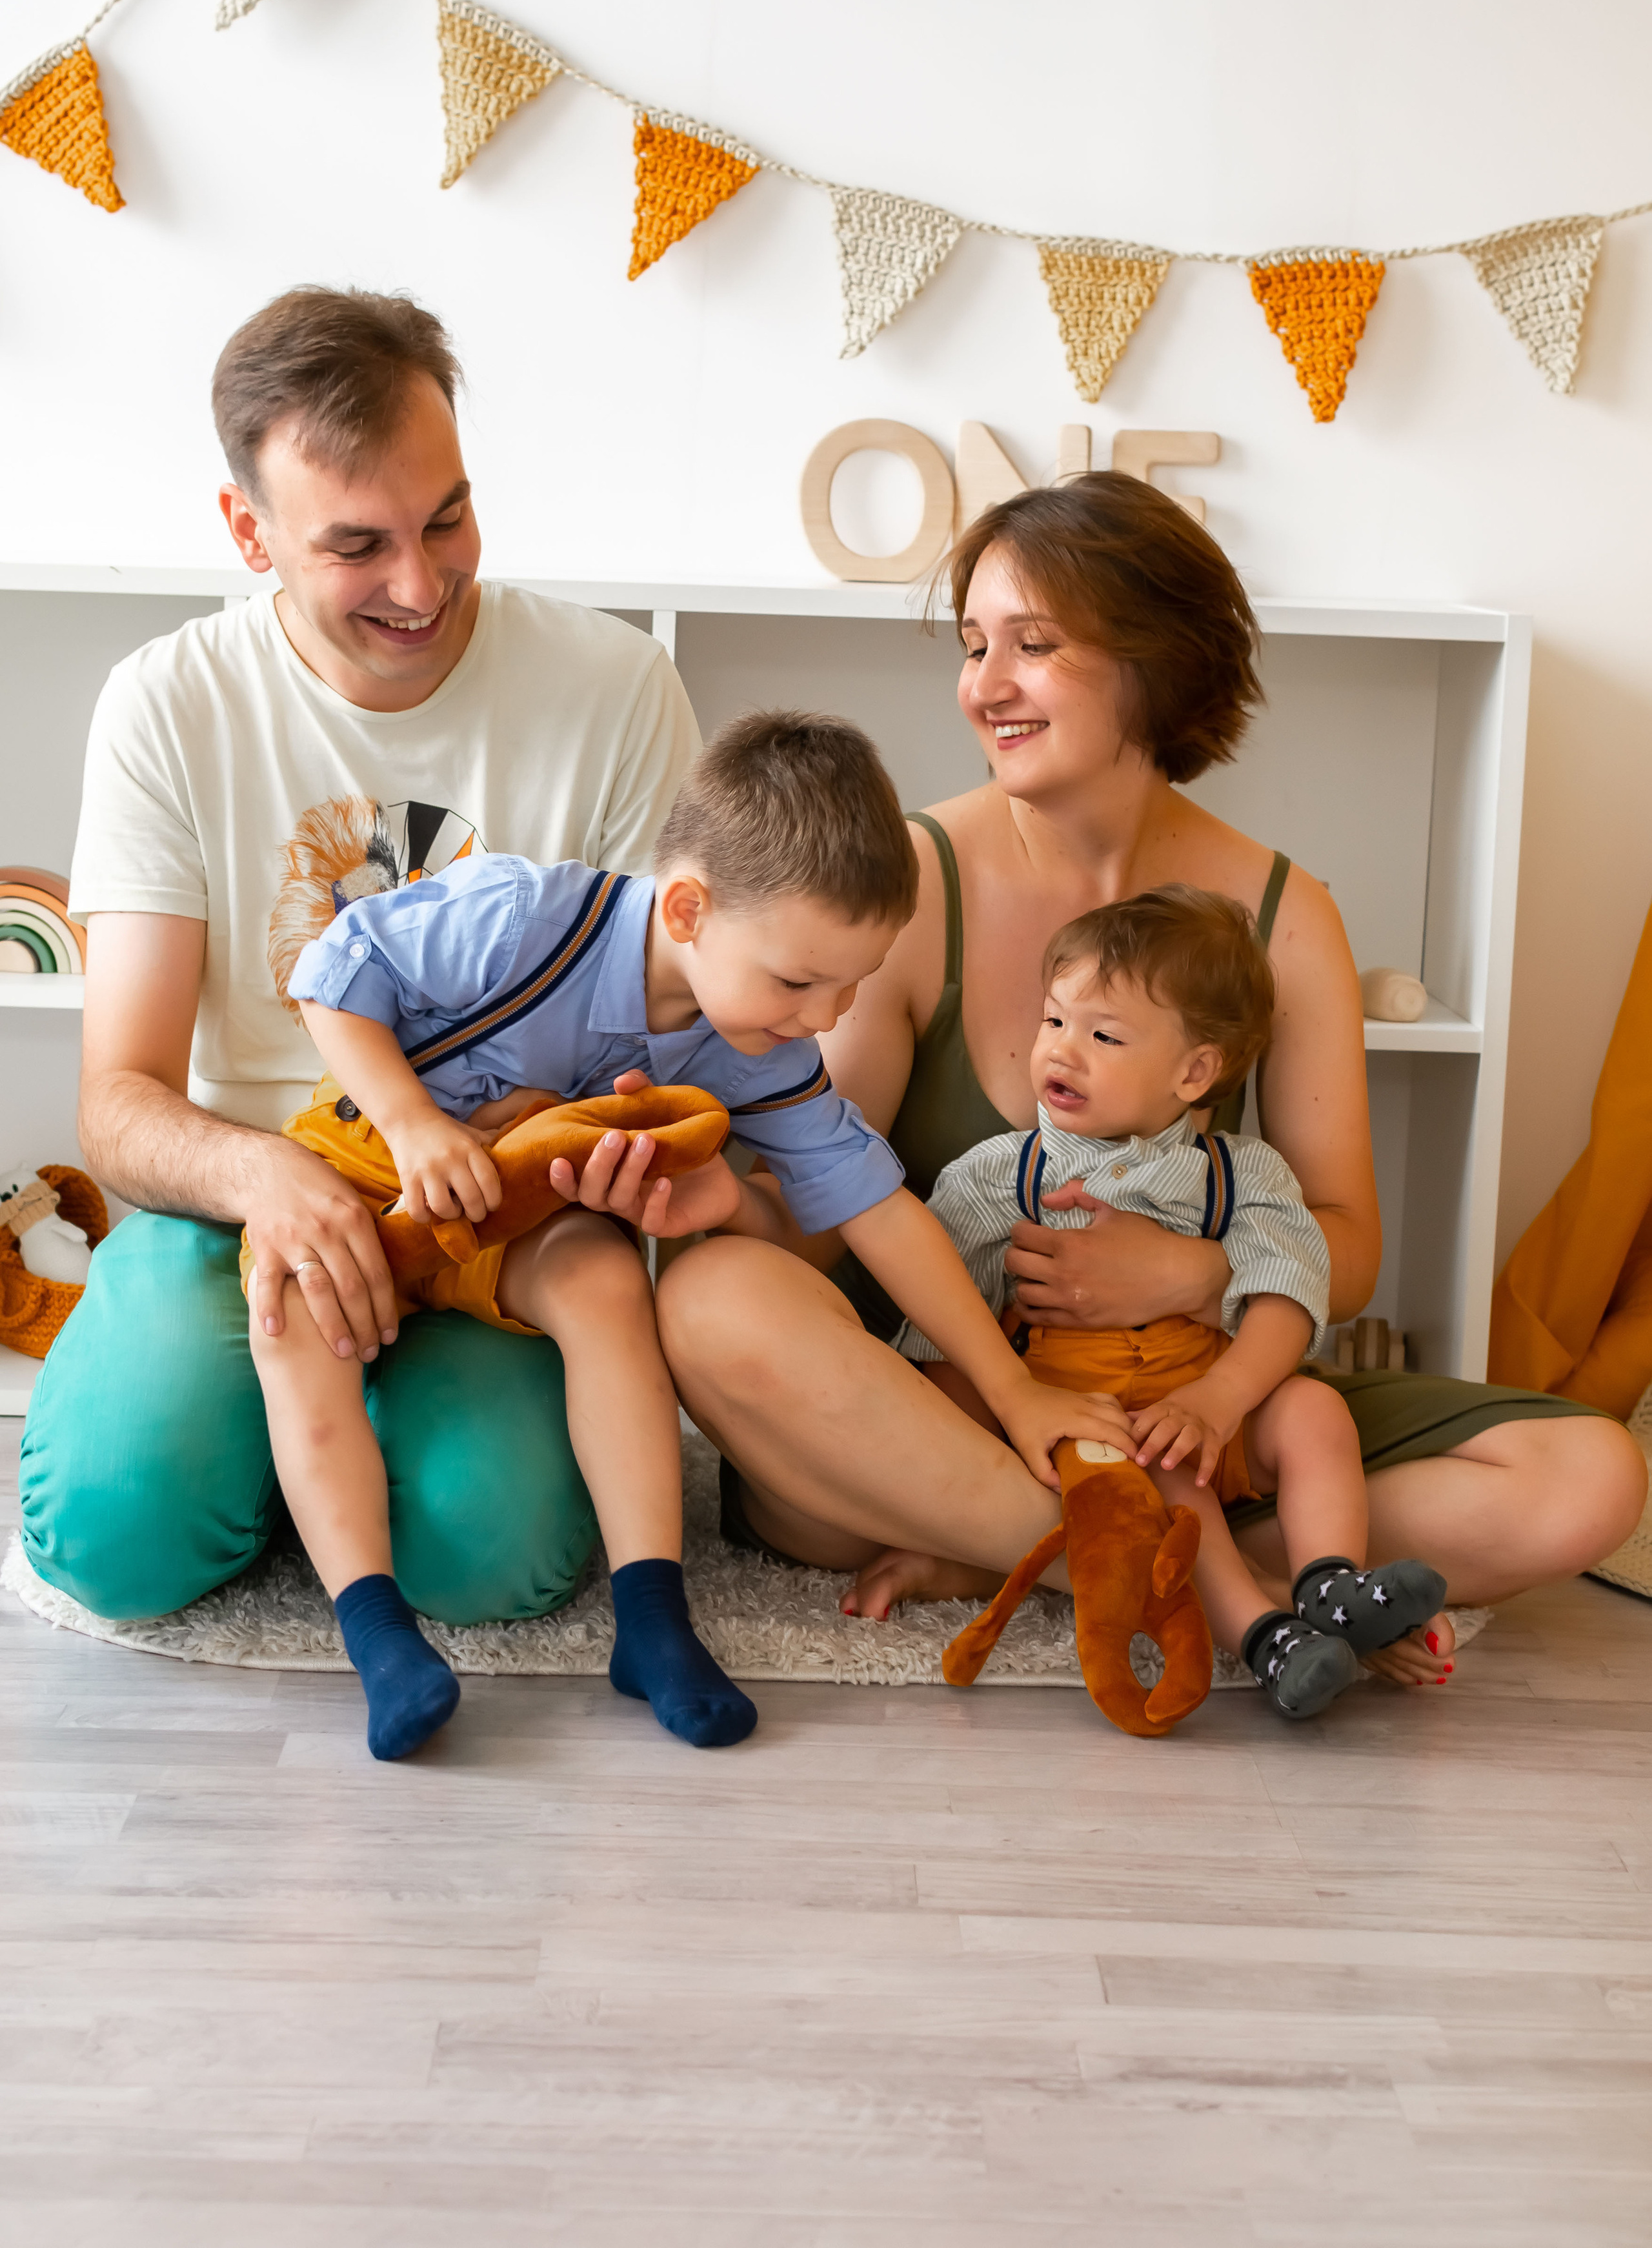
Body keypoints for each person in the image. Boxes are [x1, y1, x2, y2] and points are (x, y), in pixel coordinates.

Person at [647, 475, 1647, 1668]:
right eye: (974, 646)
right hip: (957, 1415)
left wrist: (1195, 1270)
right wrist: (728, 1206)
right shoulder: (912, 882)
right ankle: (1198, 1578)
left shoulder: (1285, 914)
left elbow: (1348, 1246)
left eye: (1036, 644)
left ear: (1155, 662)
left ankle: (1046, 1560)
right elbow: (823, 1216)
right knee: (710, 1305)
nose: (985, 685)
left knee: (1587, 1476)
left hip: (1193, 1403)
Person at [253, 711, 1135, 1755]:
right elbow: (331, 972)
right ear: (687, 910)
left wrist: (1014, 1389)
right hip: (369, 1164)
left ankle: (652, 1619)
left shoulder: (759, 1047)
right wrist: (411, 1127)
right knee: (296, 1320)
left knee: (612, 1286)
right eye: (802, 981)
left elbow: (878, 1210)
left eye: (852, 984)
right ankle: (379, 1634)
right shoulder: (524, 918)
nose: (826, 1017)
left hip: (525, 1217)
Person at [20, 287, 698, 1631]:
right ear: (247, 531)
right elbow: (124, 1099)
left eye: (444, 517)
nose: (419, 583)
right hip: (237, 1208)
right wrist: (274, 1181)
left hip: (490, 1229)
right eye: (355, 546)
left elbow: (670, 1034)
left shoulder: (617, 690)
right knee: (111, 1541)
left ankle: (321, 1463)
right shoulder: (169, 703)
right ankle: (268, 1445)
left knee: (498, 1563)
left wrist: (590, 1144)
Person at [892, 886, 1446, 1718]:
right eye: (1054, 1022)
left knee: (1318, 1414)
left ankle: (1332, 1583)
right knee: (1171, 1487)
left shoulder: (1242, 1174)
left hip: (1218, 1407)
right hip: (1099, 1433)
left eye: (1103, 1035)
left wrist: (1221, 1400)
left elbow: (1290, 1292)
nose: (1062, 1052)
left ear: (1195, 1072)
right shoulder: (998, 1176)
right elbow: (939, 1328)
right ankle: (1265, 1636)